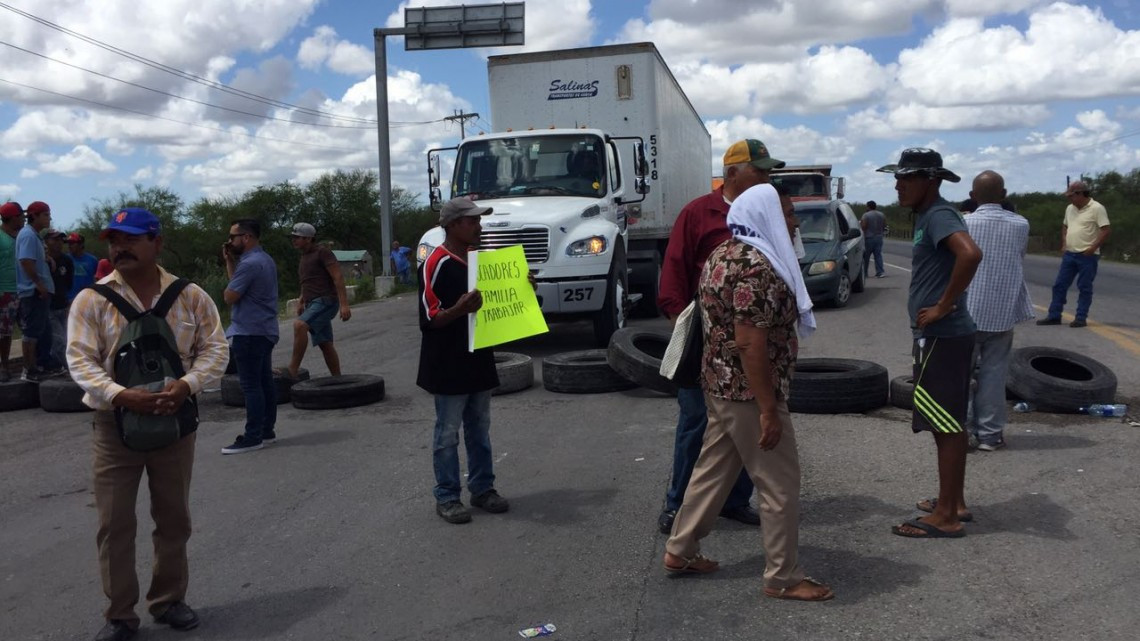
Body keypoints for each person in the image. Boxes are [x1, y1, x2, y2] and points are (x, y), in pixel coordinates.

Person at [663, 183, 833, 601]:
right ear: (766, 216)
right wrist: (768, 409)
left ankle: (680, 549)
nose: (793, 221)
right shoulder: (758, 267)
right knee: (779, 483)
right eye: (788, 213)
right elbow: (749, 342)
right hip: (747, 392)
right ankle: (783, 577)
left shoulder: (724, 252)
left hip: (719, 384)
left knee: (712, 471)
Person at [67, 207, 228, 641]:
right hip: (113, 427)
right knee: (114, 524)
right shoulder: (91, 299)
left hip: (176, 426)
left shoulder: (190, 295)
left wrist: (187, 386)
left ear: (156, 242)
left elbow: (215, 349)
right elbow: (79, 361)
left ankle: (169, 600)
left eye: (131, 239)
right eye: (113, 240)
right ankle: (120, 615)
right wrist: (123, 395)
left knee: (174, 519)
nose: (119, 248)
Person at [654, 139, 781, 534]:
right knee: (695, 420)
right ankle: (679, 504)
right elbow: (674, 269)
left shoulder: (764, 214)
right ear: (732, 174)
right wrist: (683, 323)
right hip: (705, 340)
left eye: (768, 172)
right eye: (759, 171)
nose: (766, 179)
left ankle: (734, 499)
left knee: (746, 422)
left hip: (749, 339)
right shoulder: (699, 213)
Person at [876, 148, 981, 539]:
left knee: (945, 424)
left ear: (932, 181)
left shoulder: (939, 214)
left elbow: (970, 254)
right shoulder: (929, 216)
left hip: (944, 335)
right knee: (946, 421)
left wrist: (943, 305)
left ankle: (947, 517)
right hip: (939, 336)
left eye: (908, 178)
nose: (898, 185)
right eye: (898, 177)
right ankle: (953, 502)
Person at [417, 197, 509, 524]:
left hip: (478, 359)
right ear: (454, 225)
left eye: (479, 221)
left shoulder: (481, 261)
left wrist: (523, 289)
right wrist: (459, 309)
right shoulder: (436, 262)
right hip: (447, 364)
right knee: (447, 433)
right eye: (472, 221)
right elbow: (429, 318)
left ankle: (482, 489)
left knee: (480, 430)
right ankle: (447, 497)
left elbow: (504, 301)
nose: (478, 226)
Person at [960, 171, 1033, 453]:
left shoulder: (963, 223)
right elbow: (1020, 256)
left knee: (961, 376)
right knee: (994, 375)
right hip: (1002, 311)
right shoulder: (1021, 224)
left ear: (972, 196)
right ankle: (990, 435)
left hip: (966, 311)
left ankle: (961, 434)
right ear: (1004, 195)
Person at [221, 219, 279, 454]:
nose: (229, 242)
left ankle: (252, 436)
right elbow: (238, 286)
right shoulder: (263, 259)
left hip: (249, 331)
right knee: (264, 383)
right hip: (264, 330)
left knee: (251, 386)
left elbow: (229, 296)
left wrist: (233, 267)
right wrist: (229, 261)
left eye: (233, 237)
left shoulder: (250, 264)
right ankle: (266, 430)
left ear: (246, 237)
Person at [1036, 180, 1110, 328]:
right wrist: (1064, 243)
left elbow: (1105, 229)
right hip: (1070, 254)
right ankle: (1054, 315)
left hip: (1087, 255)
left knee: (1084, 287)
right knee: (1059, 285)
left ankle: (1080, 317)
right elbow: (1065, 226)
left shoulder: (1097, 208)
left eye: (1071, 196)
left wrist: (1092, 247)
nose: (1069, 199)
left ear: (1081, 194)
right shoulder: (1070, 208)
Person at [285, 222, 351, 378]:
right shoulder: (304, 256)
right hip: (312, 303)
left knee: (300, 325)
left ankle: (292, 371)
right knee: (325, 344)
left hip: (326, 301)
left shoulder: (323, 252)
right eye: (293, 237)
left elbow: (338, 277)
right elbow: (307, 281)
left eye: (297, 237)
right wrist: (302, 301)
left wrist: (344, 305)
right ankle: (338, 379)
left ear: (308, 238)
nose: (293, 240)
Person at [16, 200, 62, 380]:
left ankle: (42, 365)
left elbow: (34, 258)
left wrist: (47, 259)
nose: (49, 218)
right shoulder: (27, 235)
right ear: (34, 216)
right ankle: (29, 369)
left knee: (43, 331)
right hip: (33, 291)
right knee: (32, 332)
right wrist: (39, 285)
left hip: (39, 291)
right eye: (45, 214)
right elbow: (26, 261)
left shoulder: (34, 235)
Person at [0, 201, 24, 382]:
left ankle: (32, 365)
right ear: (12, 218)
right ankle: (4, 366)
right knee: (4, 333)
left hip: (23, 290)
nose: (23, 218)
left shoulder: (21, 236)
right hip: (5, 290)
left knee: (29, 330)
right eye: (20, 215)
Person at [44, 229, 74, 369]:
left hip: (63, 304)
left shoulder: (66, 260)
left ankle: (58, 365)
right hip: (48, 306)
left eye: (60, 240)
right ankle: (70, 368)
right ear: (46, 241)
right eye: (54, 239)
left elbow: (68, 282)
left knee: (68, 339)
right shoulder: (42, 261)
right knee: (59, 340)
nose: (58, 243)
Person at [68, 233, 100, 301]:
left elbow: (98, 279)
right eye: (69, 243)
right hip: (69, 299)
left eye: (72, 243)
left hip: (88, 298)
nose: (70, 246)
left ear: (81, 244)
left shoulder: (92, 260)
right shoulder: (66, 259)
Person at [860, 200, 887, 278]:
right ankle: (880, 272)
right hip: (879, 237)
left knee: (866, 256)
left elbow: (864, 226)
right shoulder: (881, 215)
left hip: (869, 238)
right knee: (878, 255)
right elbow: (885, 225)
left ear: (868, 206)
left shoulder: (866, 215)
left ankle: (864, 273)